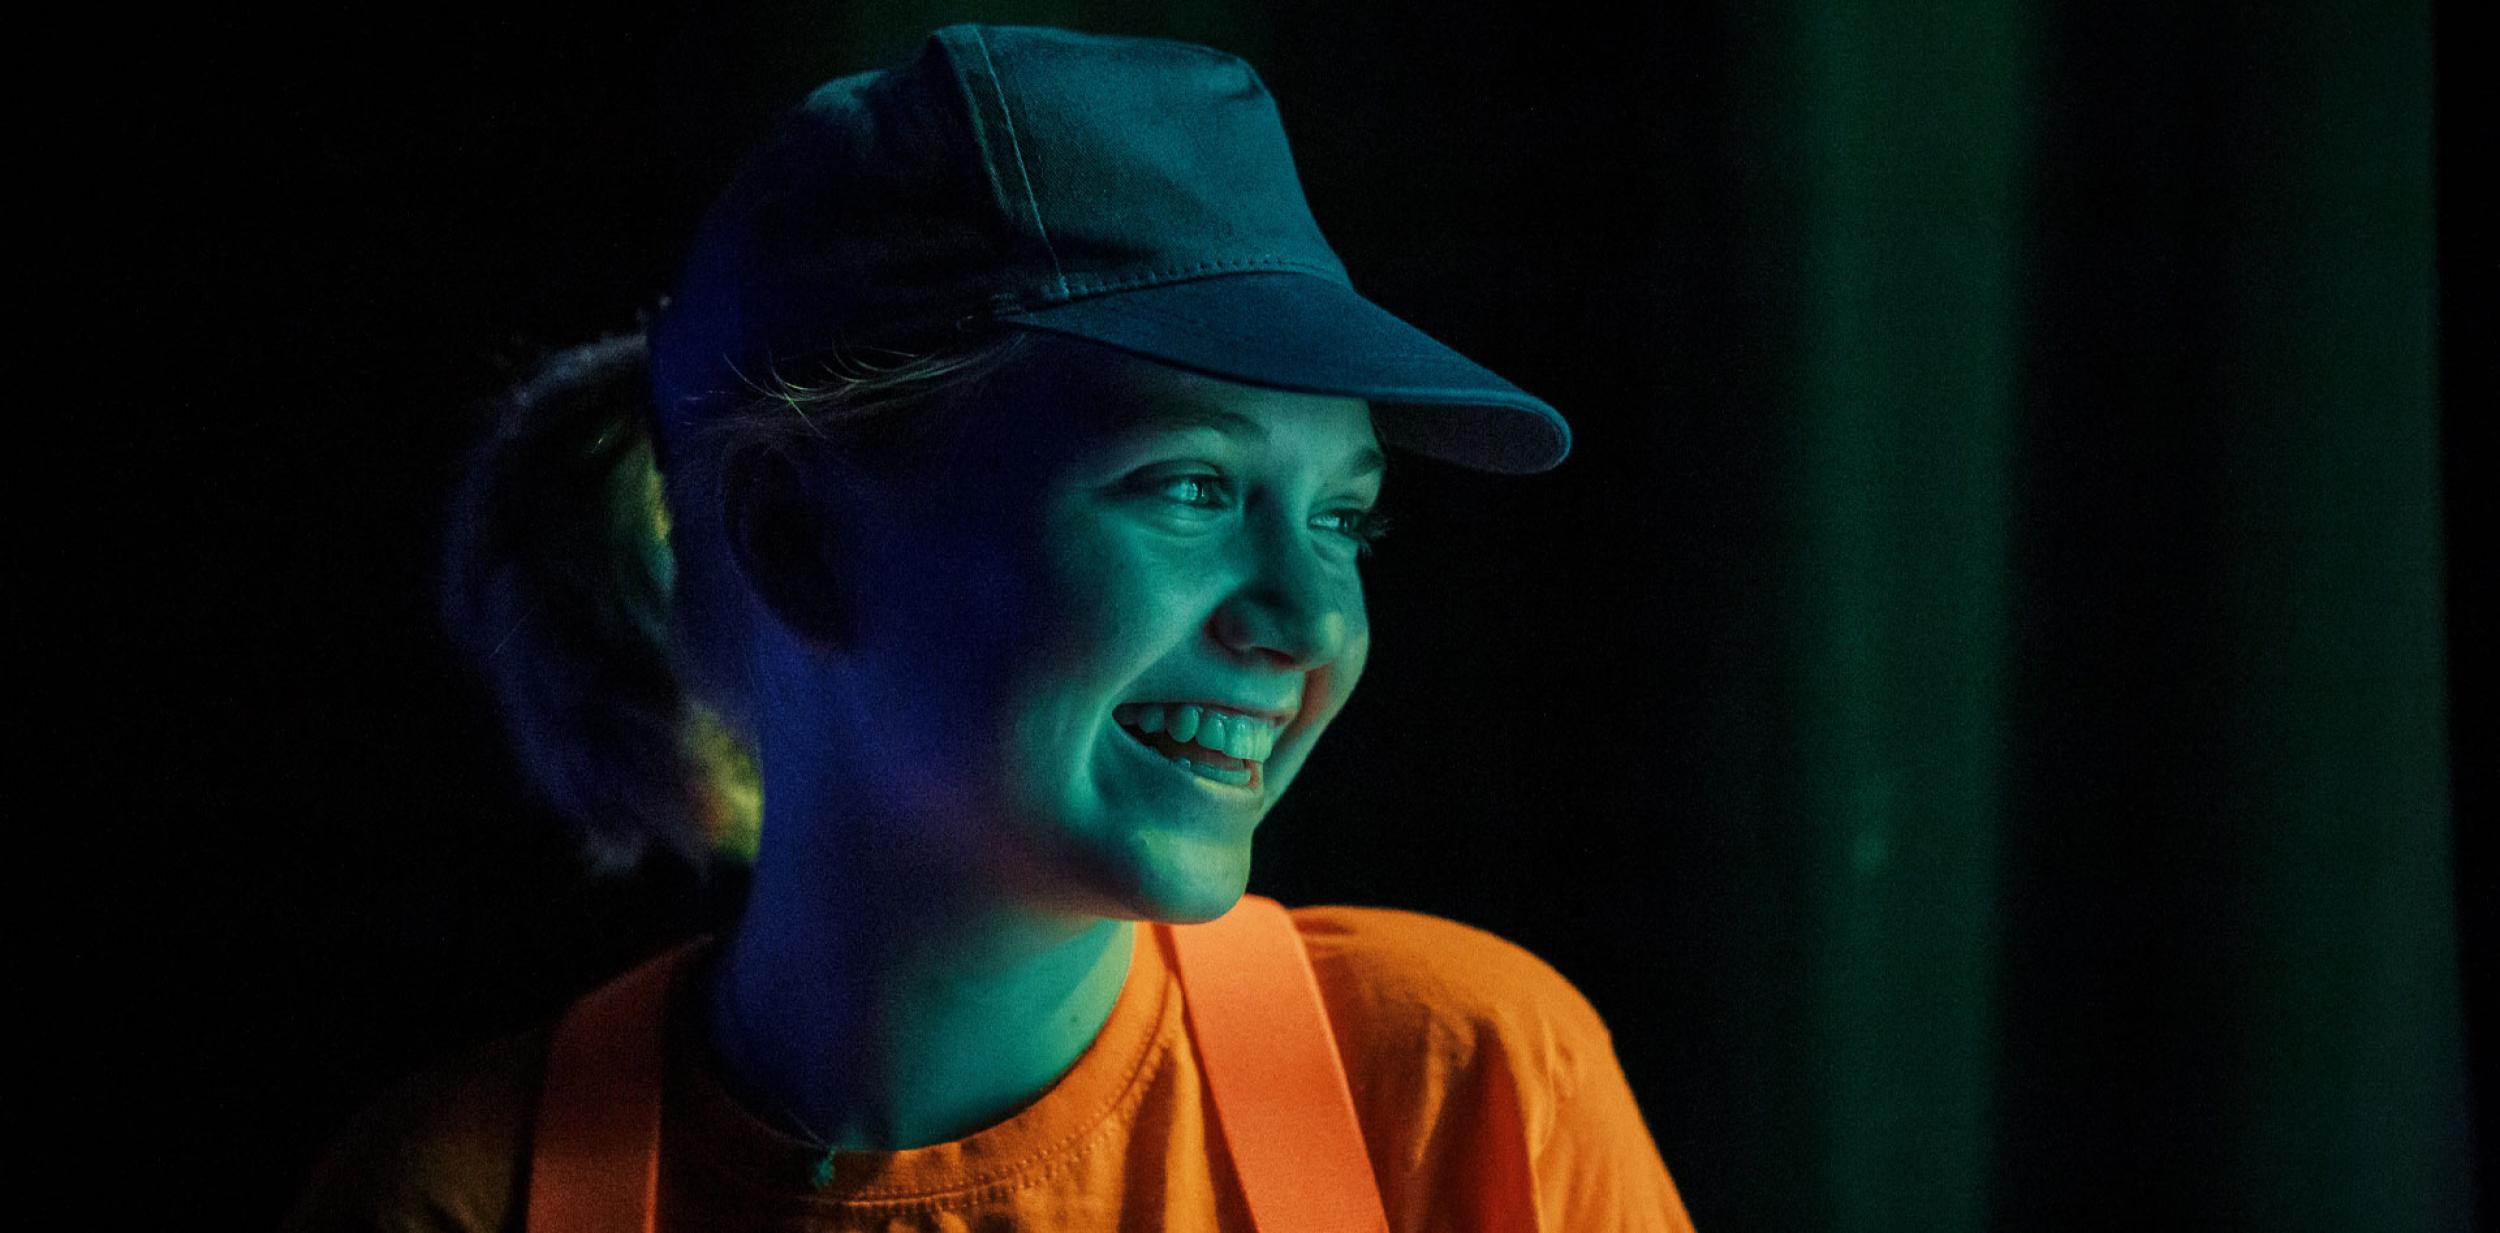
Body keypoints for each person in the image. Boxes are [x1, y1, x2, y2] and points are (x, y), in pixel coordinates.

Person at [281, 22, 1695, 1232]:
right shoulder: (460, 1196)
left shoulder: (1466, 1090)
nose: (1313, 617)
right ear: (798, 537)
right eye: (1189, 487)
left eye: (1343, 517)